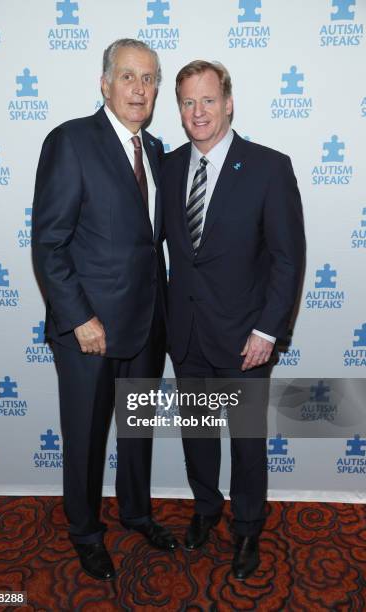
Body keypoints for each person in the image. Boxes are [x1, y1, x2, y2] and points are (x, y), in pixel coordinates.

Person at [32, 38, 178, 582]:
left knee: (137, 429)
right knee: (87, 437)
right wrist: (79, 318)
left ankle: (136, 513)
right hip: (89, 329)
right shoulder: (70, 141)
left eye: (150, 78)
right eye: (128, 77)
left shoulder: (159, 150)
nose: (140, 88)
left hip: (147, 323)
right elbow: (49, 243)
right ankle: (86, 533)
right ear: (104, 82)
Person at [161, 60, 305, 580]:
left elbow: (288, 258)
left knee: (246, 442)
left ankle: (248, 528)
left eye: (207, 100)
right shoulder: (170, 166)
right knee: (197, 434)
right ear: (178, 108)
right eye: (187, 102)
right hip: (188, 334)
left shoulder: (269, 166)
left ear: (228, 103)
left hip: (247, 337)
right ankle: (206, 508)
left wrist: (268, 331)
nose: (198, 112)